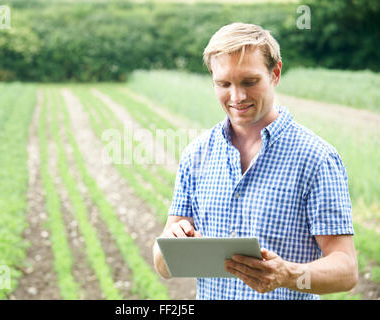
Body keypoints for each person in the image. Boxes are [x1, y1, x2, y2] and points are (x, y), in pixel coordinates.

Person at [152, 22, 358, 300]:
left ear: (275, 73)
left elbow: (346, 270)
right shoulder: (196, 155)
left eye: (249, 82)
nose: (237, 97)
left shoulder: (317, 159)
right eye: (223, 84)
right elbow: (162, 266)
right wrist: (172, 244)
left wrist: (288, 275)